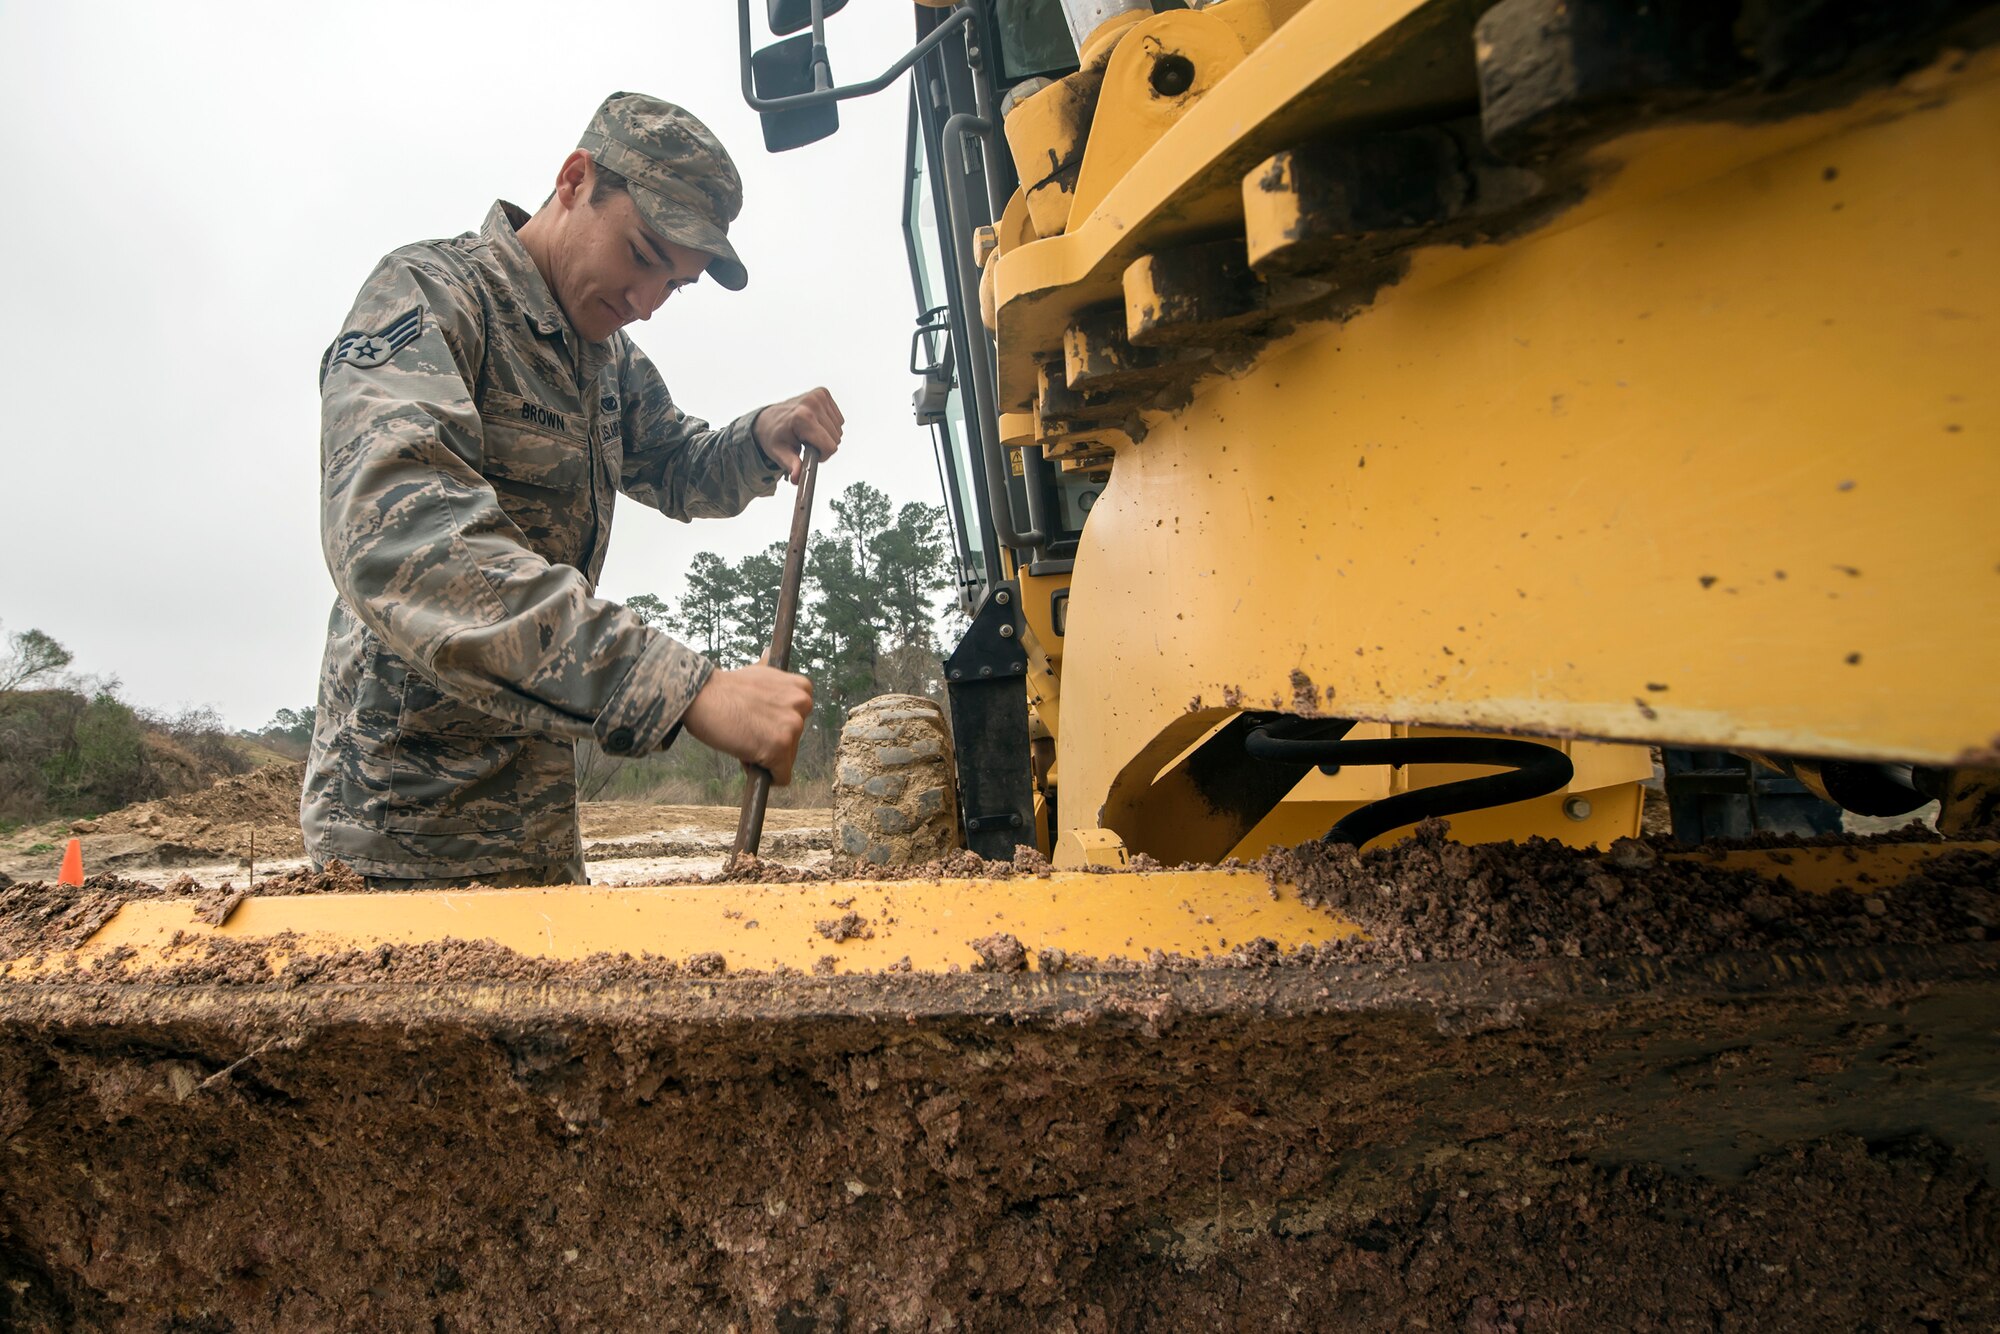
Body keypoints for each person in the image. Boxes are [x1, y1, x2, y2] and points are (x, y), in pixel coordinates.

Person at [302, 92, 841, 889]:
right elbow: (401, 540)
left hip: (538, 827)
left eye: (676, 286)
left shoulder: (607, 359)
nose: (647, 302)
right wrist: (686, 689)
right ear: (574, 179)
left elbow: (674, 457)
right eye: (644, 254)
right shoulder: (432, 297)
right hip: (402, 831)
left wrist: (756, 438)